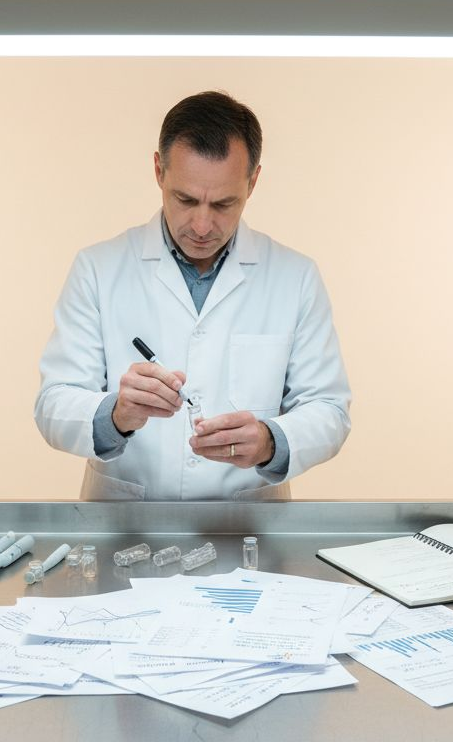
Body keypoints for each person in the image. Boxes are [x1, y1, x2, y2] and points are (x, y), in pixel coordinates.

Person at [34, 91, 351, 500]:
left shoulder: (295, 276)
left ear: (253, 182)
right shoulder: (98, 268)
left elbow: (329, 410)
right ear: (158, 171)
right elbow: (53, 405)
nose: (202, 225)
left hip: (247, 522)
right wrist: (116, 415)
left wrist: (271, 441)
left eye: (223, 203)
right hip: (126, 523)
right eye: (185, 200)